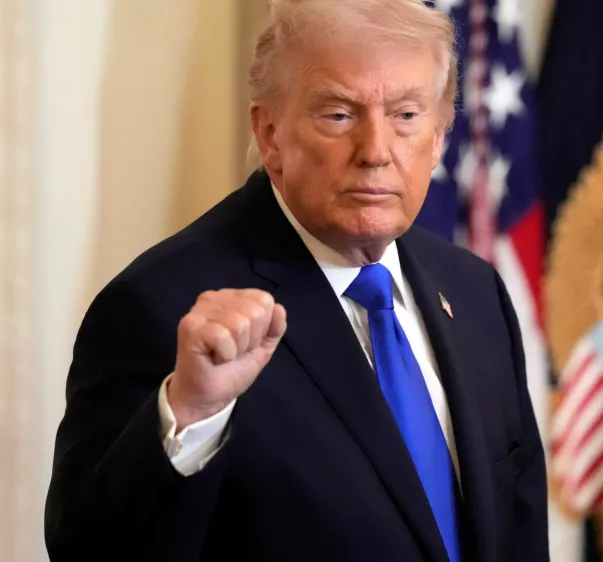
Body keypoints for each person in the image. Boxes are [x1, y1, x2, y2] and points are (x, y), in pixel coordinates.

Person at [43, 1, 548, 560]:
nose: (376, 152)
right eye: (338, 114)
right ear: (271, 133)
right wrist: (191, 415)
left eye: (406, 115)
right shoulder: (159, 308)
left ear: (439, 137)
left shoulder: (477, 293)